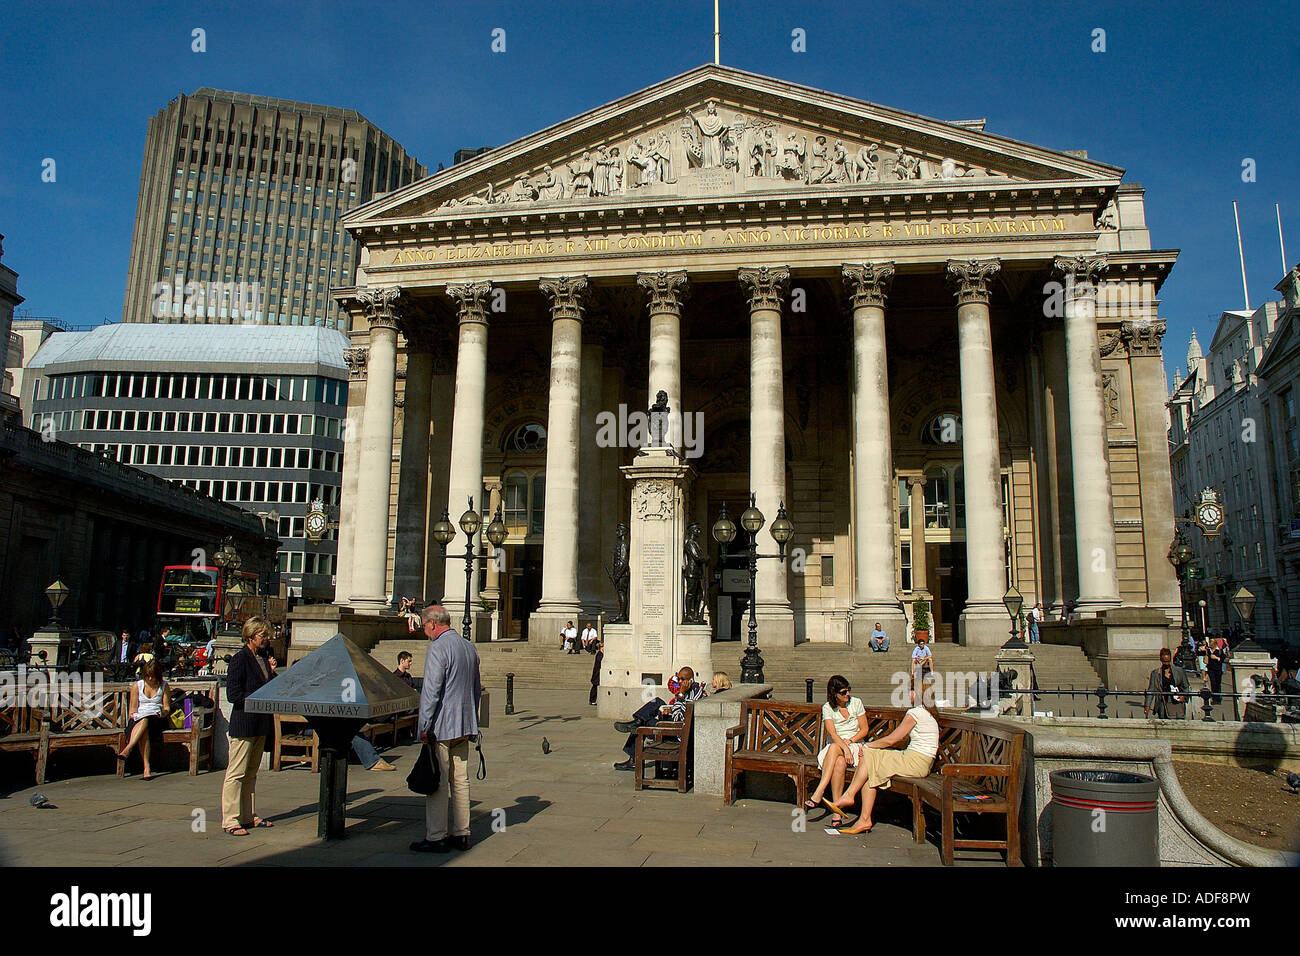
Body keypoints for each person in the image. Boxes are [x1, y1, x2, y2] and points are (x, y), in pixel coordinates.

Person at [411, 605, 483, 853]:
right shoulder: (468, 647)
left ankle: (436, 836)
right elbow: (476, 688)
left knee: (439, 781)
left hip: (440, 727)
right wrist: (472, 720)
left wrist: (424, 726)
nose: (424, 631)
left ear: (432, 623)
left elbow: (431, 693)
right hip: (464, 724)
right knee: (461, 780)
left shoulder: (437, 649)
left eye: (423, 626)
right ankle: (462, 833)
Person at [832, 676, 939, 833]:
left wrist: (867, 745)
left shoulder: (916, 713)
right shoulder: (928, 712)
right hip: (920, 762)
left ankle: (849, 795)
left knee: (869, 753)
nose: (909, 695)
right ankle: (864, 820)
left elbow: (892, 740)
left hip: (915, 762)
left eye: (910, 691)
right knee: (871, 772)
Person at [221, 616, 277, 836]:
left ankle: (248, 815)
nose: (266, 639)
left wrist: (271, 674)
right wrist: (259, 696)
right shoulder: (240, 659)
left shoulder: (262, 658)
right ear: (251, 636)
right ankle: (230, 819)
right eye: (263, 635)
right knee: (236, 773)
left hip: (260, 722)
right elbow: (233, 694)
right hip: (244, 723)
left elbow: (270, 686)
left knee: (251, 772)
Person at [612, 666, 706, 771]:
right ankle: (637, 721)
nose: (679, 682)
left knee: (642, 725)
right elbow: (681, 711)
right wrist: (671, 709)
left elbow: (677, 718)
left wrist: (681, 694)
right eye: (678, 678)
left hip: (677, 732)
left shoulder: (690, 694)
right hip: (678, 726)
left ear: (690, 680)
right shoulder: (695, 689)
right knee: (657, 702)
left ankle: (633, 757)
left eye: (682, 679)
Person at [806, 675, 868, 826]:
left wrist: (850, 742)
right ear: (834, 694)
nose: (848, 694)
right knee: (839, 762)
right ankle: (837, 812)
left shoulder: (856, 702)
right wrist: (844, 749)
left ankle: (819, 791)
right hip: (837, 747)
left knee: (836, 750)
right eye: (843, 692)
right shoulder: (827, 707)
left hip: (854, 744)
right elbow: (833, 734)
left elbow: (864, 729)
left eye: (848, 691)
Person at [117, 658, 171, 779]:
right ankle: (147, 768)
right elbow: (132, 710)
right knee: (144, 724)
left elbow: (167, 707)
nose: (150, 679)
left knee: (147, 721)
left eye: (153, 676)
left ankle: (128, 749)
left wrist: (162, 713)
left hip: (157, 719)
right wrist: (134, 715)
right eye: (148, 676)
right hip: (139, 719)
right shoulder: (138, 686)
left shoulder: (163, 686)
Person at [1144, 647, 1190, 719]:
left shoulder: (1179, 671)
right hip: (1163, 703)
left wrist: (1184, 696)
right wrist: (1147, 705)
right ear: (1161, 660)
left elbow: (1186, 686)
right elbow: (1151, 690)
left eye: (1168, 661)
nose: (1166, 664)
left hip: (1176, 703)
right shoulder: (1155, 673)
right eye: (1164, 662)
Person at [1206, 634, 1227, 703]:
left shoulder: (1219, 651)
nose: (1210, 645)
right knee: (1213, 683)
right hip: (1211, 669)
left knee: (1218, 684)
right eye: (1210, 644)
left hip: (1218, 669)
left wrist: (1217, 658)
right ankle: (1214, 698)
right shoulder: (1208, 651)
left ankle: (1218, 698)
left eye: (1211, 644)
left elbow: (1223, 659)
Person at [589, 639, 604, 706]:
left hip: (598, 673)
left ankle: (593, 700)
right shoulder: (600, 654)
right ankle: (592, 700)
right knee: (595, 687)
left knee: (595, 687)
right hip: (597, 673)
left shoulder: (601, 654)